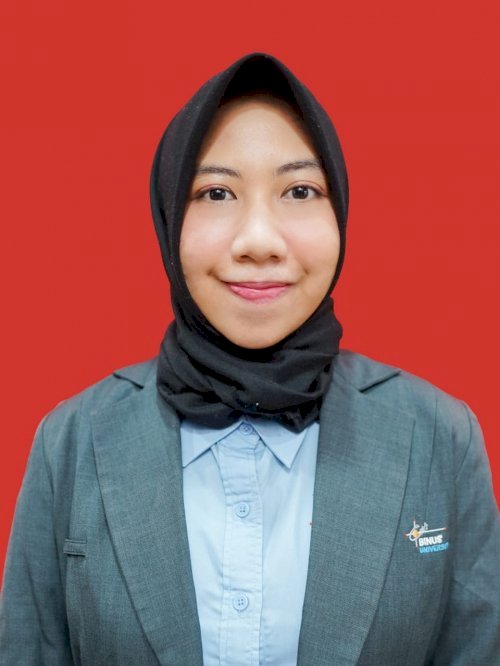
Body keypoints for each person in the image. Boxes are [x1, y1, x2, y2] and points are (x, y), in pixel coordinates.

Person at [0, 52, 498, 666]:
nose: (258, 241)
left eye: (299, 190)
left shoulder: (440, 436)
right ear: (169, 217)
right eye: (216, 192)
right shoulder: (72, 441)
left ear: (339, 212)